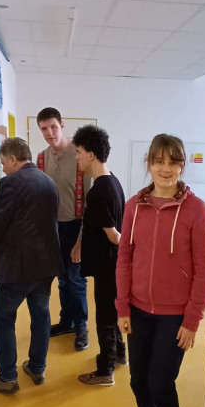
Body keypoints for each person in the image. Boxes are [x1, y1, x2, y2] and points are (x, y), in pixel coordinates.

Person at [116, 134, 205, 407]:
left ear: (182, 166)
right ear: (149, 164)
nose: (166, 168)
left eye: (173, 162)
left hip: (175, 316)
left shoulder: (195, 209)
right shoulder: (134, 206)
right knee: (137, 379)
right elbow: (125, 258)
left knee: (160, 381)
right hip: (138, 310)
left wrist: (192, 320)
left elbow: (204, 269)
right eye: (159, 161)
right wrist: (123, 307)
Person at [0, 137, 63, 394]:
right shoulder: (48, 182)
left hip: (16, 268)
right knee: (41, 315)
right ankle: (37, 368)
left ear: (12, 159)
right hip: (46, 265)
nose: (3, 169)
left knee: (3, 317)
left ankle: (8, 378)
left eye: (3, 163)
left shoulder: (10, 183)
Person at [72, 125, 126, 387]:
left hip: (108, 265)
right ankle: (119, 354)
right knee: (112, 312)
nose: (77, 157)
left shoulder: (98, 192)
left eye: (79, 152)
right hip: (112, 263)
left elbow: (114, 235)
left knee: (104, 317)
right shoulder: (113, 181)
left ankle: (105, 371)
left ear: (91, 154)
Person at [36, 107, 91, 351]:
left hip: (76, 226)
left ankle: (81, 327)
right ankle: (66, 322)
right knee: (62, 280)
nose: (49, 133)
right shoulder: (41, 159)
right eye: (44, 129)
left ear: (62, 125)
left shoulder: (80, 156)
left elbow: (90, 204)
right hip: (52, 228)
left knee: (76, 279)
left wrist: (81, 240)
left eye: (53, 127)